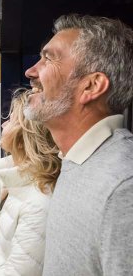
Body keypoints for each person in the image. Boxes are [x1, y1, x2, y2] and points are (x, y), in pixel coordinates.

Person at [24, 14, 133, 275]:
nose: (30, 72)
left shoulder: (123, 188)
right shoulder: (77, 161)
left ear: (91, 86)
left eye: (49, 58)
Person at [0, 90, 61, 276]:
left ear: (25, 135)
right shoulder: (17, 183)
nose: (3, 123)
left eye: (10, 120)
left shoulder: (39, 204)